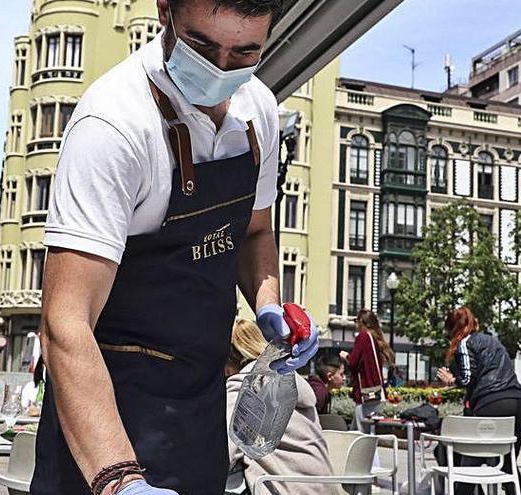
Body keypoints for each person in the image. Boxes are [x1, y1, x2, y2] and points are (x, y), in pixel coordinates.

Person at [31, 1, 320, 494]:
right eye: (202, 46)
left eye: (245, 52)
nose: (221, 68)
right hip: (103, 417)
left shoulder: (261, 111)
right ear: (165, 9)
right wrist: (119, 480)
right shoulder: (113, 124)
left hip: (199, 410)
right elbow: (65, 322)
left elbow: (254, 230)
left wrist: (269, 305)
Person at [225, 319, 333, 494]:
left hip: (283, 488)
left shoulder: (246, 384)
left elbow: (224, 453)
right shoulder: (289, 378)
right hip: (323, 487)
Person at [436, 307, 521, 495]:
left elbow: (468, 377)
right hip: (519, 402)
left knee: (470, 465)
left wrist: (451, 380)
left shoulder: (464, 343)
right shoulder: (492, 341)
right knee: (508, 463)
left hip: (492, 404)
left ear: (454, 329)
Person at [340, 309, 394, 432]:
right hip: (375, 394)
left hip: (366, 394)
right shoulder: (374, 338)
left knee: (363, 436)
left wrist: (346, 356)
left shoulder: (363, 337)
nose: (355, 324)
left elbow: (353, 363)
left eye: (356, 321)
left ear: (361, 322)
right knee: (356, 433)